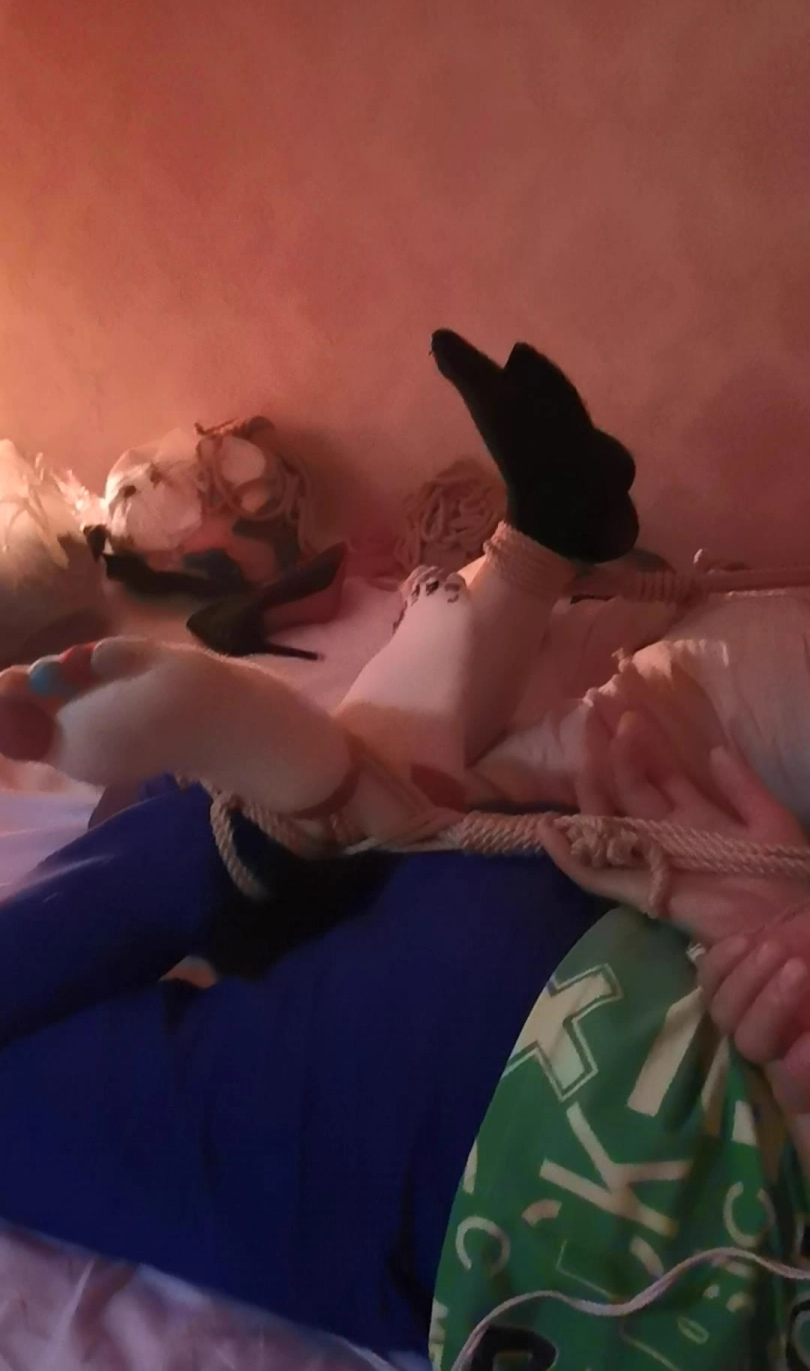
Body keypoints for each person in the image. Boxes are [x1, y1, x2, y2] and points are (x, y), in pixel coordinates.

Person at [0, 331, 809, 1368]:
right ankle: (276, 808)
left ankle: (304, 786)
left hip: (533, 1031)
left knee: (431, 797)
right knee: (424, 800)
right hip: (555, 1091)